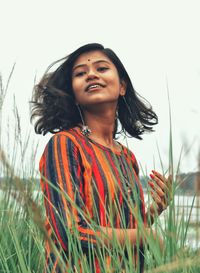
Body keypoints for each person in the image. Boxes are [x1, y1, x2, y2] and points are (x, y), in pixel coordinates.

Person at [31, 43, 171, 273]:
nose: (91, 74)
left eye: (102, 68)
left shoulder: (126, 157)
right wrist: (145, 235)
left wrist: (155, 211)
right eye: (80, 73)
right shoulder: (66, 144)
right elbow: (70, 233)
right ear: (74, 95)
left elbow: (125, 231)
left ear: (122, 86)